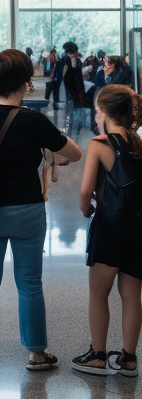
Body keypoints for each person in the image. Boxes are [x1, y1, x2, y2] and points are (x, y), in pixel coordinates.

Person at [0, 49, 82, 370]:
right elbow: (76, 153)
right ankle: (37, 353)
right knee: (30, 283)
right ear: (25, 83)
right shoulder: (34, 121)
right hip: (26, 212)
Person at [72, 85, 142, 377]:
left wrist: (85, 209)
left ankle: (98, 356)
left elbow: (86, 190)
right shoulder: (139, 143)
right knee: (132, 296)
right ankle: (129, 359)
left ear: (103, 111)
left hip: (109, 227)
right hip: (138, 229)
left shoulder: (100, 145)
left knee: (98, 293)